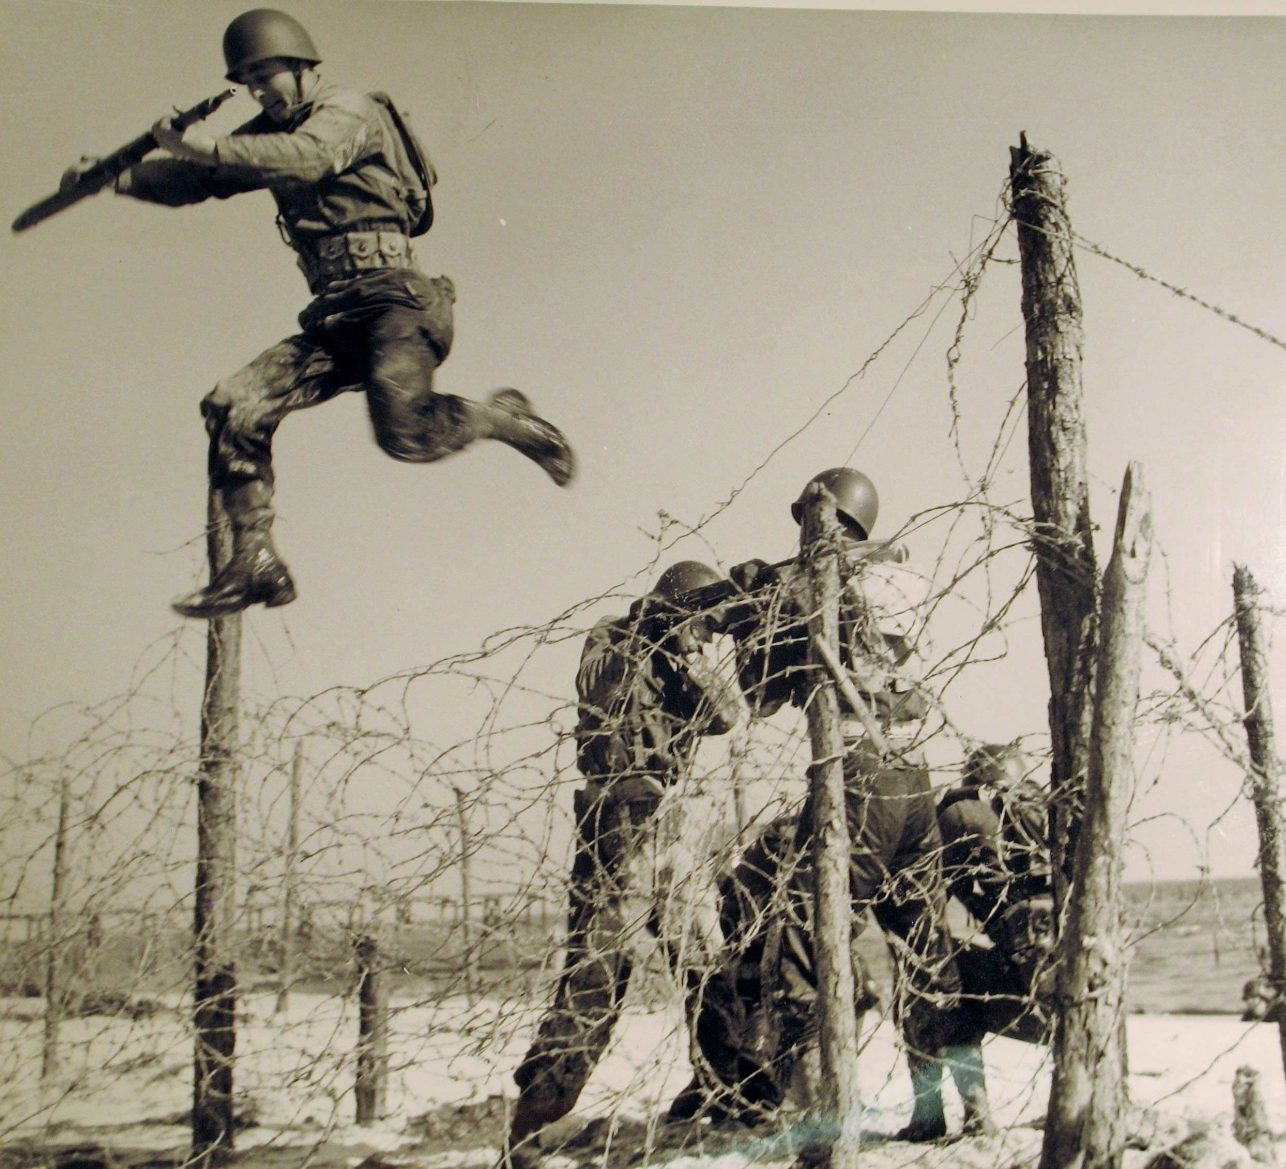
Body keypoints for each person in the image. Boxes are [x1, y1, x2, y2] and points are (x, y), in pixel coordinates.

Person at [71, 10, 575, 618]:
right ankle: (254, 559)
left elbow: (306, 158)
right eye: (249, 80)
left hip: (396, 303)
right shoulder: (266, 135)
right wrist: (119, 178)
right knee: (234, 404)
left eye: (268, 74)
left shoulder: (350, 112)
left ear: (304, 66)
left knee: (406, 435)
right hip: (336, 314)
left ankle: (503, 418)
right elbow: (202, 177)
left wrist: (203, 142)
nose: (260, 90)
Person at [673, 468, 980, 1142]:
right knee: (925, 939)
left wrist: (746, 604)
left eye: (810, 524)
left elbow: (768, 684)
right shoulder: (900, 577)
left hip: (859, 773)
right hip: (915, 772)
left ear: (828, 518)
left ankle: (816, 1112)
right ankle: (949, 1103)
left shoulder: (822, 583)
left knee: (809, 929)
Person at [505, 562, 741, 1168]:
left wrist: (688, 647)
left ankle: (730, 1086)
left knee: (705, 960)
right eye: (701, 624)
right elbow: (599, 685)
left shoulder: (681, 659)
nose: (706, 638)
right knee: (597, 975)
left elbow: (725, 714)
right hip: (615, 815)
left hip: (670, 820)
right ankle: (538, 1108)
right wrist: (653, 631)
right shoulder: (613, 637)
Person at [933, 743, 1058, 1131]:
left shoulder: (962, 813)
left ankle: (975, 1114)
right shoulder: (1049, 809)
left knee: (948, 993)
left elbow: (934, 885)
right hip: (1065, 983)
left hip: (1026, 986)